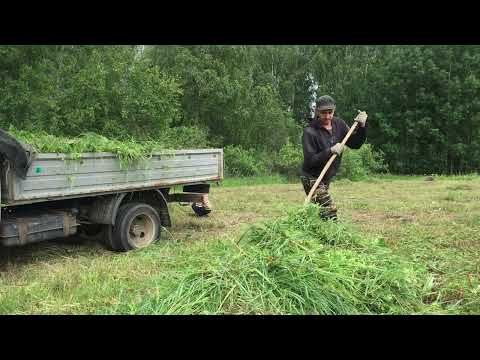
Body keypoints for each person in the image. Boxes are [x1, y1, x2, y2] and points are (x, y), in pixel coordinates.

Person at [301, 95, 367, 220]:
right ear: (317, 112)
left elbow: (355, 144)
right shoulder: (310, 132)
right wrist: (330, 151)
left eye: (330, 112)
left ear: (334, 110)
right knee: (329, 211)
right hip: (311, 177)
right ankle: (332, 236)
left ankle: (314, 232)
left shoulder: (339, 124)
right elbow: (310, 161)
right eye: (323, 113)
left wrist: (362, 127)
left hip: (326, 177)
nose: (327, 116)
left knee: (321, 212)